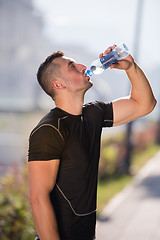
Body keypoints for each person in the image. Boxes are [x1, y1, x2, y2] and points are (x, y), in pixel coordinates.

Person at [28, 45, 156, 240]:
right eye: (72, 66)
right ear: (58, 85)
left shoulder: (93, 114)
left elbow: (145, 104)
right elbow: (38, 198)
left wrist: (131, 67)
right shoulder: (49, 129)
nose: (82, 65)